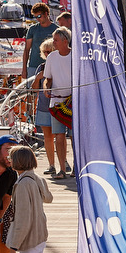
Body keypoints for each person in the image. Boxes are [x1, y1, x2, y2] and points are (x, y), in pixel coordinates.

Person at [43, 28, 74, 177]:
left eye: (56, 40)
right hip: (56, 102)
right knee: (59, 136)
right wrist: (46, 88)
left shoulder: (76, 56)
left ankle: (76, 168)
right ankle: (62, 169)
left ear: (65, 41)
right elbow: (47, 79)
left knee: (75, 137)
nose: (53, 42)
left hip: (74, 103)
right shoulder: (51, 57)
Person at [22, 2, 57, 79]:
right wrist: (24, 69)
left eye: (39, 16)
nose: (37, 19)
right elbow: (27, 49)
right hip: (34, 66)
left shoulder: (56, 29)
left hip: (52, 67)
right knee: (33, 90)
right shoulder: (32, 29)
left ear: (46, 13)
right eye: (35, 17)